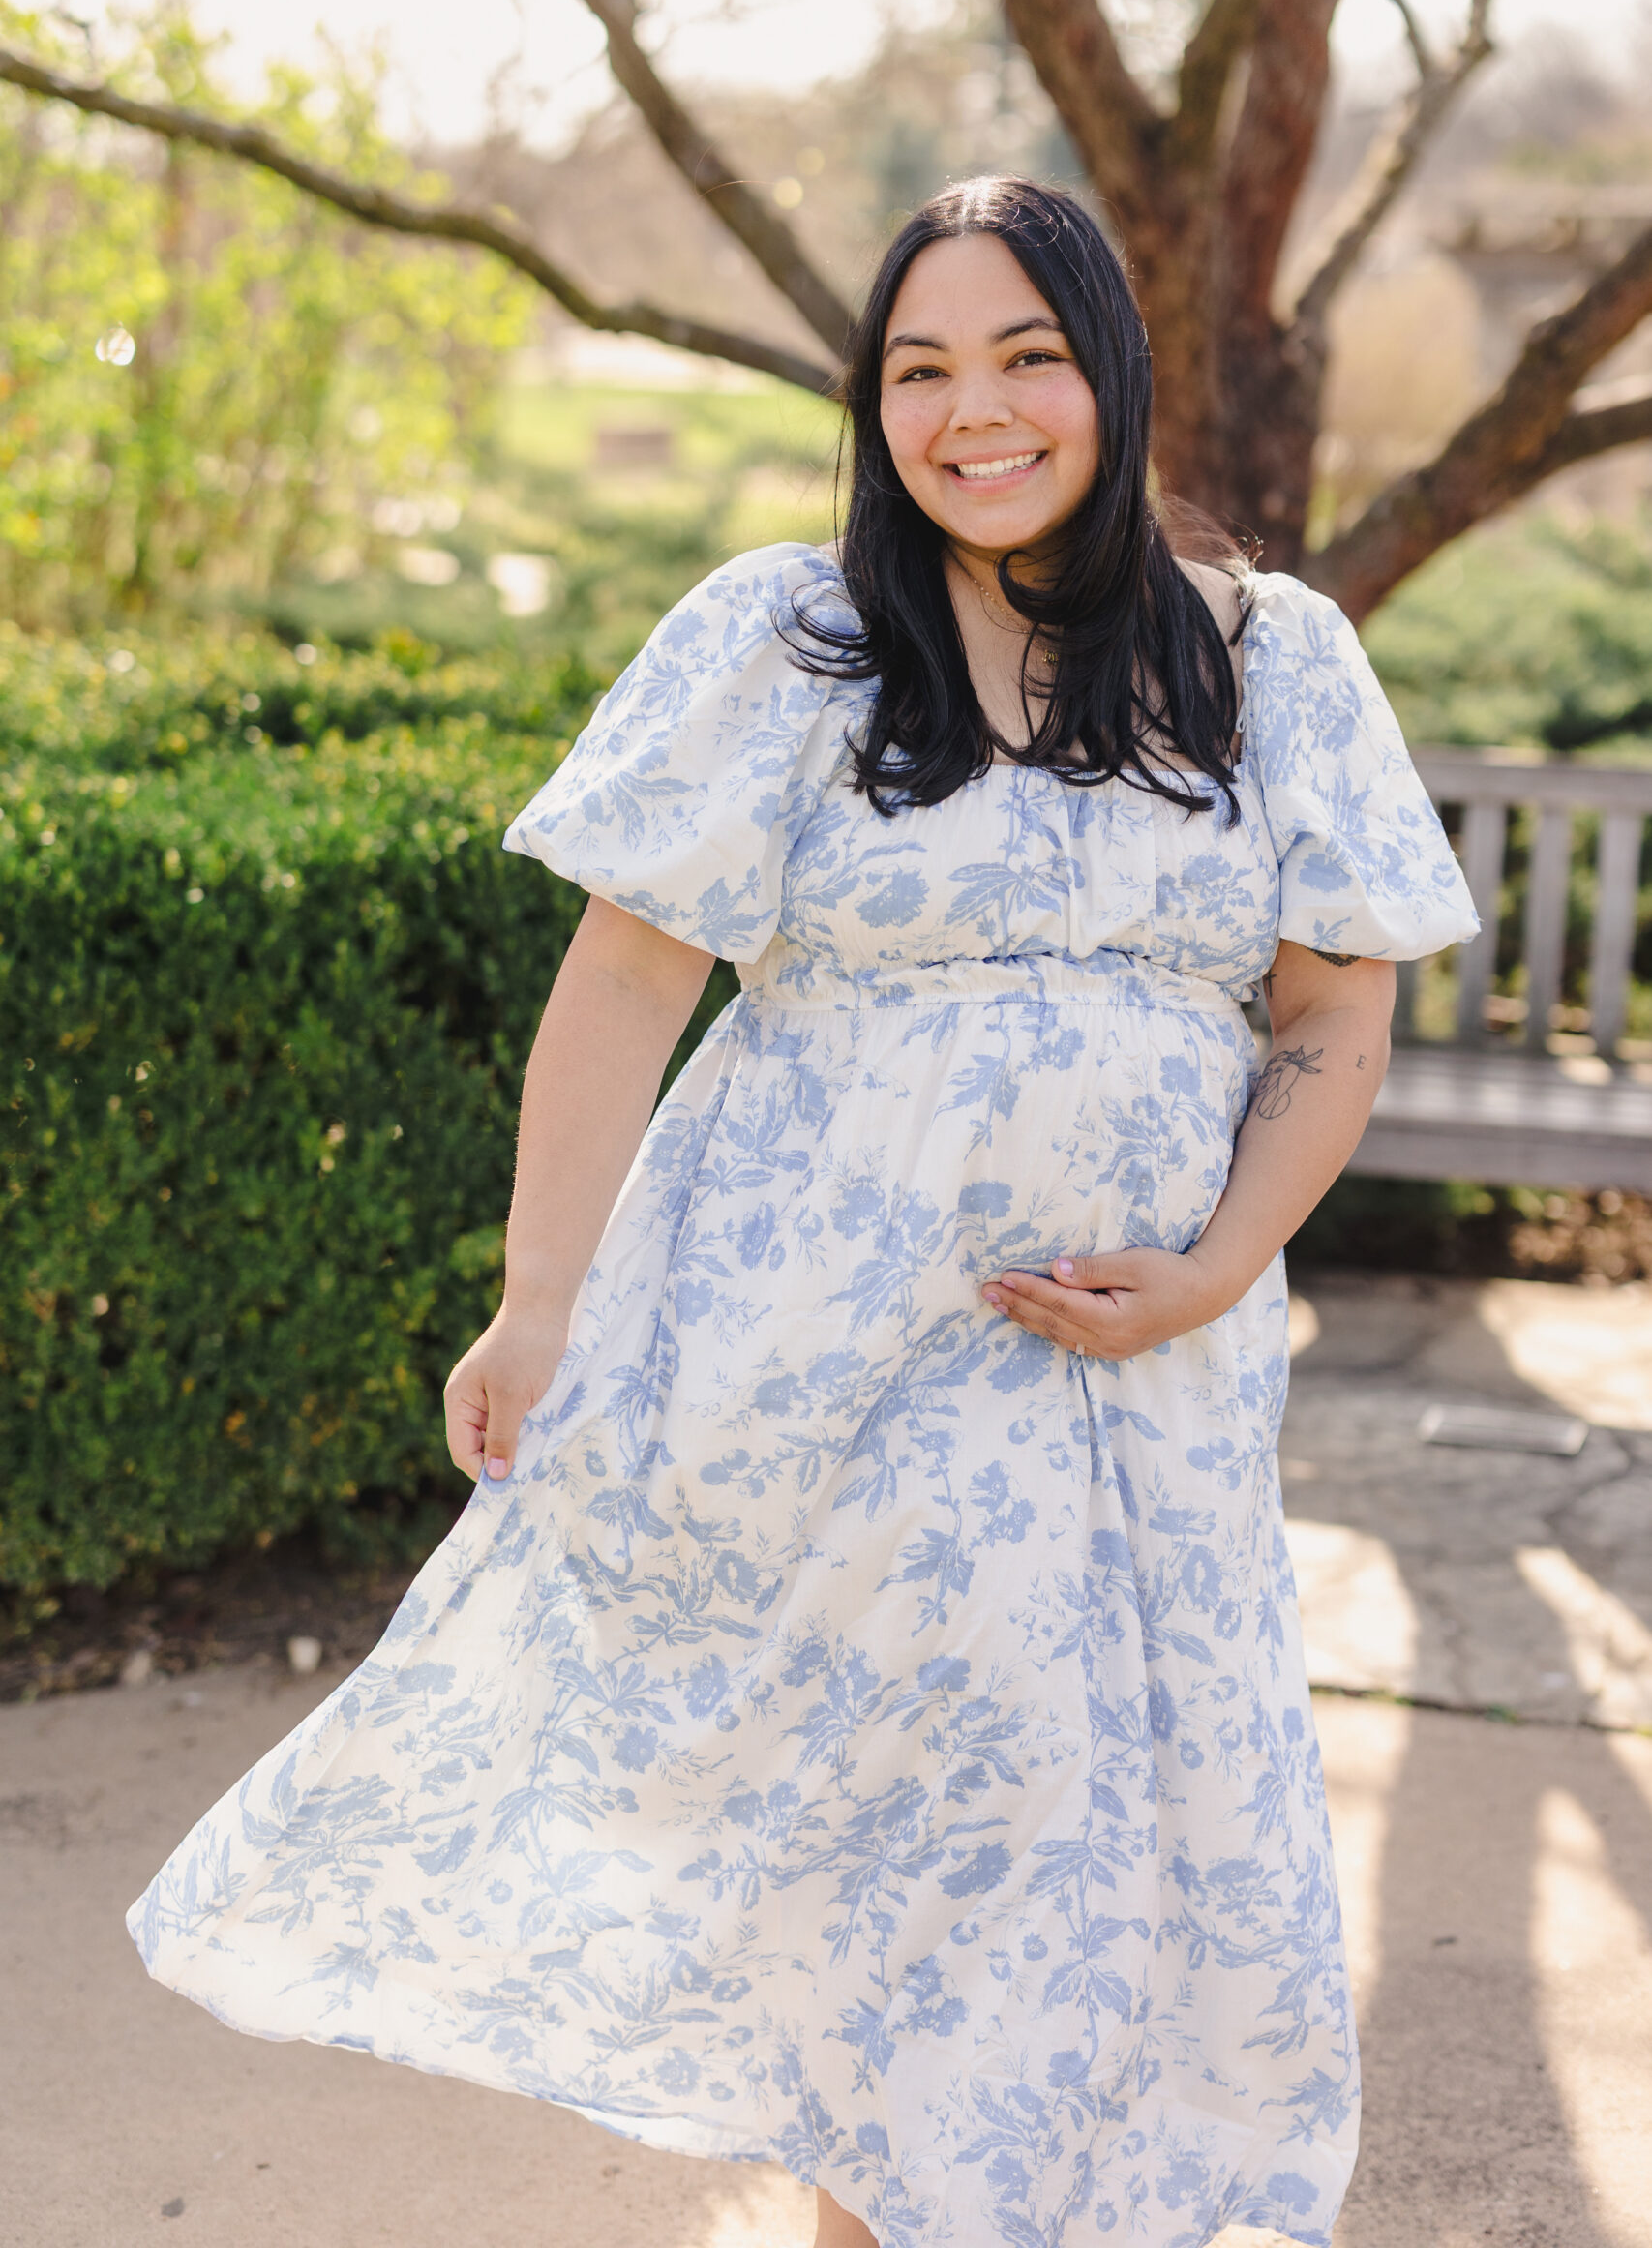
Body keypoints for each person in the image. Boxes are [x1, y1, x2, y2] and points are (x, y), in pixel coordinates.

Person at [131, 176, 1477, 2248]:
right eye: (919, 368)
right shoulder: (792, 638)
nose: (972, 409)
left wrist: (1213, 1266)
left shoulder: (1265, 654)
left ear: (1107, 367)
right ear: (873, 403)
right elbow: (625, 978)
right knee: (922, 1821)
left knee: (1069, 1828)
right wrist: (537, 1299)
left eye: (1024, 353)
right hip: (814, 1347)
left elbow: (1333, 998)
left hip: (1146, 1364)